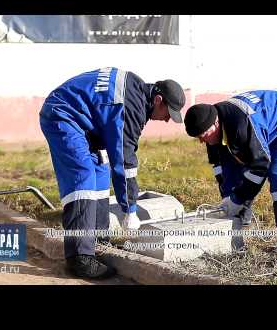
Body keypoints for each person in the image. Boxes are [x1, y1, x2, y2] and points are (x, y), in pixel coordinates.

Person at [39, 67, 185, 278]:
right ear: (158, 100)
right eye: (168, 113)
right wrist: (130, 210)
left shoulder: (137, 92)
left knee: (100, 174)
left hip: (84, 121)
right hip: (63, 115)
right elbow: (125, 164)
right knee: (83, 177)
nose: (167, 120)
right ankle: (79, 257)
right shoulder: (130, 107)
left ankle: (98, 239)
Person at [184, 90, 277, 255]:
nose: (202, 141)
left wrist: (237, 199)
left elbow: (260, 167)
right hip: (264, 122)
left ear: (216, 123)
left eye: (203, 136)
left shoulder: (240, 126)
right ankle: (241, 220)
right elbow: (221, 166)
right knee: (234, 163)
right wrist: (228, 198)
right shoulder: (209, 123)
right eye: (198, 138)